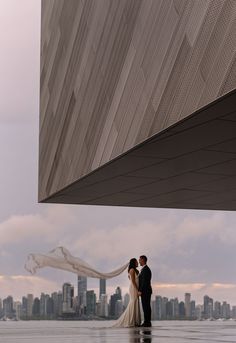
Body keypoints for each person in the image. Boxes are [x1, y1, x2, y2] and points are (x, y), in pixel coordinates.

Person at [114, 258, 141, 327]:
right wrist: (137, 289)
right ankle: (131, 320)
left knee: (136, 302)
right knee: (133, 301)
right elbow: (133, 281)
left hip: (136, 287)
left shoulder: (136, 270)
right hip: (134, 288)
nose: (137, 263)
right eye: (136, 262)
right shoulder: (132, 270)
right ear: (133, 263)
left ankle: (136, 320)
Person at [138, 255, 152, 327]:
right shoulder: (144, 269)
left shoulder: (146, 270)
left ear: (143, 260)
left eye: (140, 260)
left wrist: (140, 290)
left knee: (146, 306)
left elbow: (144, 282)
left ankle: (147, 322)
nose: (139, 261)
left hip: (145, 291)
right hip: (146, 291)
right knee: (145, 306)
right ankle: (147, 321)